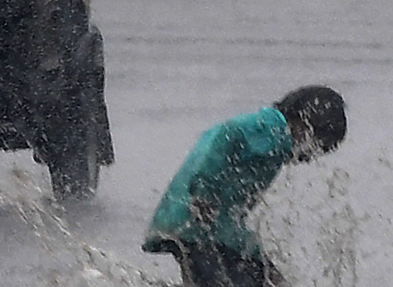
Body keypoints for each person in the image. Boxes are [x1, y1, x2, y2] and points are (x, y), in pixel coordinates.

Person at [142, 85, 347, 287]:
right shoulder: (269, 128)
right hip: (193, 223)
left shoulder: (275, 141)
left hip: (216, 230)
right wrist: (204, 193)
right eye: (318, 146)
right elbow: (224, 136)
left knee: (266, 279)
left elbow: (234, 216)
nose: (310, 158)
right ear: (304, 126)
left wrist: (260, 259)